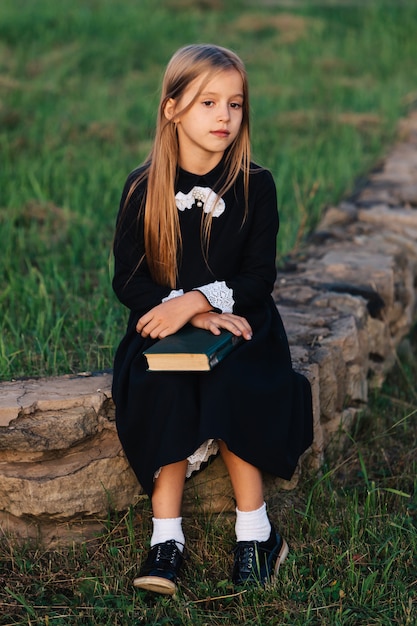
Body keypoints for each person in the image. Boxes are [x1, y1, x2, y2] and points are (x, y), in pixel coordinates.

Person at [111, 43, 313, 596]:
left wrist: (200, 302)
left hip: (242, 327)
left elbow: (256, 280)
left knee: (230, 379)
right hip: (164, 329)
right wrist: (176, 312)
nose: (225, 116)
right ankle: (166, 539)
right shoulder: (141, 187)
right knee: (164, 382)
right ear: (171, 108)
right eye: (208, 102)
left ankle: (256, 533)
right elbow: (128, 280)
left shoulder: (256, 186)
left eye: (236, 104)